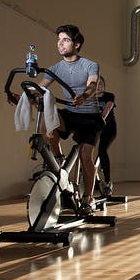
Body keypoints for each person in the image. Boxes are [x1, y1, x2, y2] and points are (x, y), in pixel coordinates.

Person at [39, 24, 103, 216]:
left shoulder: (90, 65)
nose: (60, 44)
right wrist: (23, 96)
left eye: (65, 40)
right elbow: (40, 88)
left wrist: (84, 95)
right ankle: (60, 161)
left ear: (76, 44)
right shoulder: (54, 69)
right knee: (48, 123)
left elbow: (92, 84)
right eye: (58, 40)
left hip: (90, 117)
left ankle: (88, 198)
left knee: (85, 157)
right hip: (70, 114)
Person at [96, 76, 117, 196]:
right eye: (97, 84)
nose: (99, 86)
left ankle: (108, 181)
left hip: (108, 129)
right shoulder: (90, 98)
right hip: (95, 129)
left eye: (101, 84)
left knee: (102, 151)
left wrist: (101, 119)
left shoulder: (109, 96)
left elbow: (107, 108)